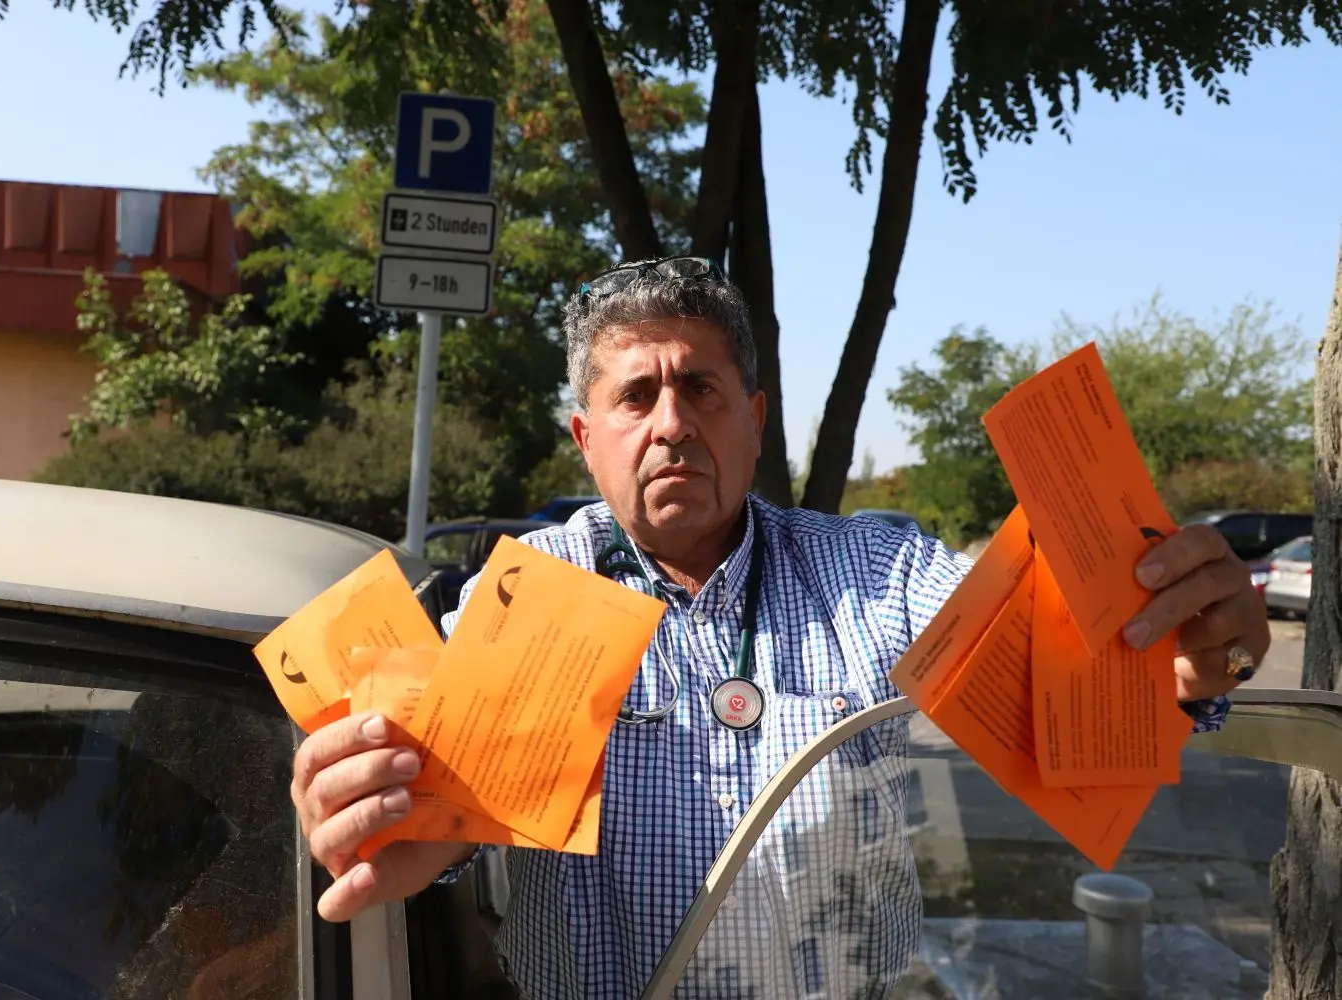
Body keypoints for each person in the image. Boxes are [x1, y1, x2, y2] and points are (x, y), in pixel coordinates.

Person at [290, 256, 1270, 998]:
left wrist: (1181, 660)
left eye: (701, 389)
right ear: (588, 441)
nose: (671, 422)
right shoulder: (531, 592)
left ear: (754, 421)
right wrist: (372, 808)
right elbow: (437, 812)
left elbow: (1048, 673)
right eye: (636, 395)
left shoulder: (872, 570)